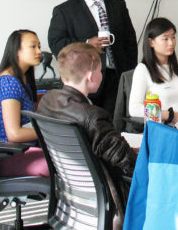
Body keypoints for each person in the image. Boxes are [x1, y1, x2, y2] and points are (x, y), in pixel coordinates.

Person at [37, 43, 138, 229]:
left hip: (72, 195)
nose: (102, 74)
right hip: (108, 201)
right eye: (100, 70)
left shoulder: (47, 102)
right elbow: (128, 161)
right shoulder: (93, 116)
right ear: (91, 77)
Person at [48, 0, 137, 116]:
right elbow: (56, 42)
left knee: (114, 122)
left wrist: (130, 70)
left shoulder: (118, 5)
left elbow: (130, 38)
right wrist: (87, 44)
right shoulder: (64, 10)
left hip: (116, 75)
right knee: (89, 123)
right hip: (85, 78)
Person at [0, 30, 49, 177]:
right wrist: (49, 132)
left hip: (23, 149)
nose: (39, 51)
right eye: (33, 47)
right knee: (69, 164)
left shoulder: (22, 78)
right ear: (16, 51)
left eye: (39, 46)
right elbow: (14, 134)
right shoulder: (8, 82)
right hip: (9, 154)